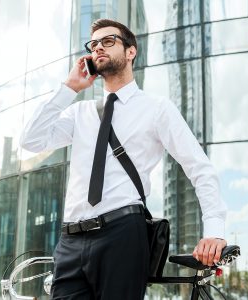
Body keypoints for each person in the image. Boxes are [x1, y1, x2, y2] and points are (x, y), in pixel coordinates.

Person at [20, 18, 227, 299]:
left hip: (122, 234)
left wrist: (214, 230)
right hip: (70, 239)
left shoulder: (156, 109)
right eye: (93, 45)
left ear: (131, 52)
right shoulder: (79, 113)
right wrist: (68, 88)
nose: (98, 48)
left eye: (108, 41)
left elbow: (199, 168)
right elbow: (31, 140)